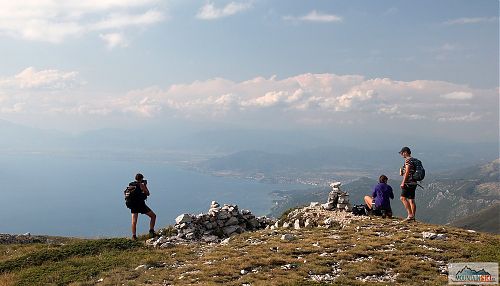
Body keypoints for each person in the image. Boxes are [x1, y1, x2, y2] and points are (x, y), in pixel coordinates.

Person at [129, 173, 156, 239]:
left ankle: (134, 236)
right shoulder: (141, 185)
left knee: (134, 221)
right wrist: (145, 186)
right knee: (153, 216)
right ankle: (151, 231)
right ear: (141, 178)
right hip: (141, 205)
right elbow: (148, 193)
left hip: (133, 205)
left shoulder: (131, 185)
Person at [399, 146, 417, 221]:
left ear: (405, 152)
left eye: (402, 153)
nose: (401, 155)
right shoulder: (414, 160)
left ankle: (410, 215)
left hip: (408, 182)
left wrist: (403, 182)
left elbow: (407, 172)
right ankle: (413, 217)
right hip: (414, 183)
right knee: (411, 200)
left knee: (402, 198)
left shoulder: (408, 161)